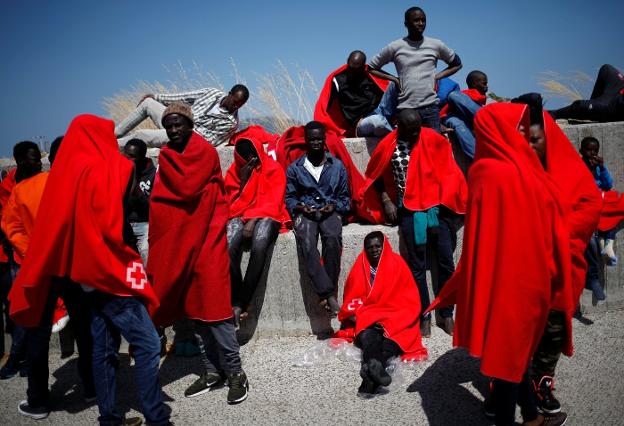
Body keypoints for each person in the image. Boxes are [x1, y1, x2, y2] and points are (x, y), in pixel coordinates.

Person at [430, 101, 600, 425]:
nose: (523, 136)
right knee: (512, 355)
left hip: (499, 276)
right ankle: (514, 415)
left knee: (514, 355)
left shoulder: (482, 170)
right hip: (523, 277)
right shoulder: (513, 173)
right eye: (518, 129)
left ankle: (533, 416)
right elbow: (538, 223)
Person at [8, 115, 169, 425]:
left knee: (103, 349)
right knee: (148, 345)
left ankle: (109, 418)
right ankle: (157, 416)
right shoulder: (115, 168)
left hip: (82, 278)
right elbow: (120, 221)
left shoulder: (66, 177)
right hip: (110, 273)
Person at [146, 102, 249, 404]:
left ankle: (236, 374)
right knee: (195, 312)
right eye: (169, 125)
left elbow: (190, 193)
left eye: (179, 124)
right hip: (182, 243)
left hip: (208, 239)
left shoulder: (203, 152)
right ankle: (211, 371)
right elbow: (162, 204)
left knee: (216, 312)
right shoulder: (166, 158)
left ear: (191, 125)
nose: (175, 130)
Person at [1, 137, 96, 418]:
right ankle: (92, 386)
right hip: (72, 266)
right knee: (85, 330)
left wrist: (33, 253)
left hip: (40, 269)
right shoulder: (72, 187)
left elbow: (11, 227)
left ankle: (39, 401)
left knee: (37, 335)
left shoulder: (22, 190)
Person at [356, 109, 467, 337]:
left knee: (446, 262)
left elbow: (450, 173)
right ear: (399, 126)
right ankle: (423, 314)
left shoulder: (433, 139)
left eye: (419, 127)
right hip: (408, 210)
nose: (417, 133)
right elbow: (375, 175)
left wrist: (447, 202)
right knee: (416, 267)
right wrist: (386, 200)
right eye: (411, 129)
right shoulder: (389, 144)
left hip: (437, 209)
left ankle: (446, 313)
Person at [335, 231, 427, 397]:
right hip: (369, 318)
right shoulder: (360, 266)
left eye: (378, 246)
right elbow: (352, 299)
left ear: (385, 246)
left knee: (390, 343)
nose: (374, 250)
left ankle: (369, 378)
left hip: (395, 319)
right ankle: (375, 369)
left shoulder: (398, 264)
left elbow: (410, 300)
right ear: (365, 249)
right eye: (370, 247)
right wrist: (364, 317)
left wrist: (390, 319)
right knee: (369, 340)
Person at [224, 132, 291, 327]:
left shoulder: (273, 169)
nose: (250, 159)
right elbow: (230, 206)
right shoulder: (233, 172)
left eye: (253, 154)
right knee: (228, 246)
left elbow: (273, 202)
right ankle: (235, 298)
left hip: (267, 215)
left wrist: (252, 221)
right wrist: (244, 180)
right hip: (239, 214)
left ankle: (243, 301)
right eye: (245, 156)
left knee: (260, 243)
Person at [285, 121, 350, 315]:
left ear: (324, 140)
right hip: (306, 213)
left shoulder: (337, 166)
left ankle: (327, 293)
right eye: (311, 139)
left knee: (331, 239)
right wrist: (300, 207)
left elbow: (346, 198)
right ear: (305, 140)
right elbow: (289, 197)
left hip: (330, 211)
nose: (315, 143)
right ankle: (329, 294)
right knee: (306, 241)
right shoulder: (295, 168)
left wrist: (335, 206)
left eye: (319, 139)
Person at [366, 7, 462, 132]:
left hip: (431, 109)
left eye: (423, 20)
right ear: (406, 24)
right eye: (416, 20)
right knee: (407, 149)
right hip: (406, 109)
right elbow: (372, 67)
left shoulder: (435, 45)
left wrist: (437, 77)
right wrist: (394, 79)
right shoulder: (395, 46)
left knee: (432, 148)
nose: (421, 23)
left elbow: (457, 64)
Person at [0, 141, 42, 380]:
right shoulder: (9, 186)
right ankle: (18, 358)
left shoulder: (44, 181)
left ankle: (24, 360)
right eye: (32, 159)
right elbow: (9, 223)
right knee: (22, 311)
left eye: (38, 158)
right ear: (19, 161)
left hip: (41, 257)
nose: (37, 163)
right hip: (19, 257)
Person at [116, 84, 249, 147]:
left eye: (240, 104)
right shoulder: (212, 93)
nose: (236, 106)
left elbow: (208, 142)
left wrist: (185, 129)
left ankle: (113, 145)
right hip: (176, 120)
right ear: (229, 94)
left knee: (141, 135)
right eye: (235, 101)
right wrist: (157, 97)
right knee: (148, 103)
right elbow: (185, 98)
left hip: (183, 137)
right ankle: (113, 135)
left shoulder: (231, 123)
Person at [314, 50, 389, 137]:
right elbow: (324, 106)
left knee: (396, 87)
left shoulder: (371, 76)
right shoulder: (338, 80)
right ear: (347, 61)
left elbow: (383, 92)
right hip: (362, 122)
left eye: (356, 70)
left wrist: (395, 80)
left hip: (379, 111)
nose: (352, 73)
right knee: (378, 121)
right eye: (350, 68)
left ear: (363, 67)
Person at [441, 70, 490, 159]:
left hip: (483, 121)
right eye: (484, 84)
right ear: (474, 84)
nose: (486, 86)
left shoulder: (491, 102)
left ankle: (488, 122)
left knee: (454, 95)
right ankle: (479, 159)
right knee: (455, 121)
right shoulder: (462, 96)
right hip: (458, 119)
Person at [123, 138, 156, 266]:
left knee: (146, 252)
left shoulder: (154, 175)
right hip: (124, 223)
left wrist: (135, 183)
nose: (127, 160)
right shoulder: (118, 170)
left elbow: (152, 209)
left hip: (144, 223)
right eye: (125, 155)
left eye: (132, 157)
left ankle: (151, 284)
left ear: (142, 158)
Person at [551, 64, 624, 123]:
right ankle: (592, 108)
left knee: (580, 106)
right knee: (607, 69)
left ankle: (553, 114)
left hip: (612, 106)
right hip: (620, 89)